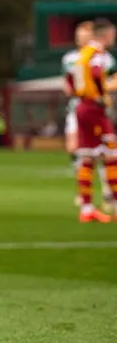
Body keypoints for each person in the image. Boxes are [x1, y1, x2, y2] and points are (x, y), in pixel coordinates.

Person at [65, 18, 117, 223]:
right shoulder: (98, 54)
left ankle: (87, 209)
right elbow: (96, 73)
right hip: (94, 108)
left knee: (87, 158)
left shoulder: (81, 55)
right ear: (105, 35)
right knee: (112, 155)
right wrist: (101, 93)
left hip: (81, 106)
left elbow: (71, 78)